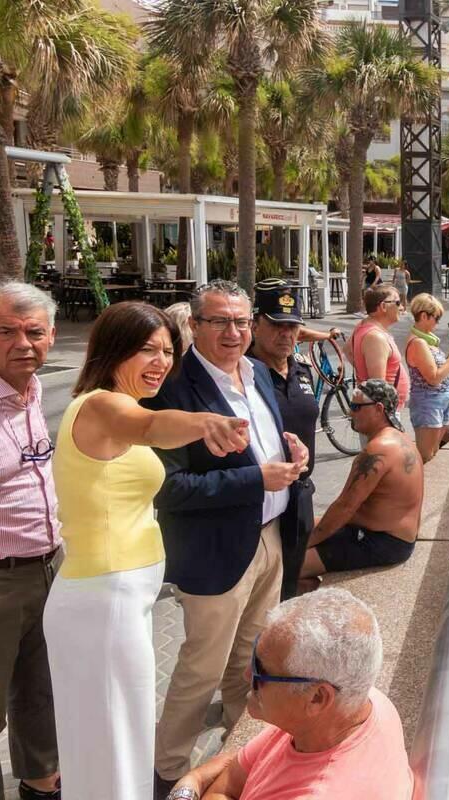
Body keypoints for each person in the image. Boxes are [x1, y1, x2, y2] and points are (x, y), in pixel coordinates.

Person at [44, 302, 250, 800]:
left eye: (166, 350)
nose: (160, 361)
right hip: (103, 600)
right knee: (115, 742)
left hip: (114, 599)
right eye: (145, 350)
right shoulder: (101, 406)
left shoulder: (121, 407)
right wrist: (206, 422)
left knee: (115, 738)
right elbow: (153, 427)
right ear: (111, 350)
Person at [146, 281, 310, 793]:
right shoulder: (172, 389)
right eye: (219, 321)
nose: (233, 332)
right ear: (194, 326)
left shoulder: (258, 371)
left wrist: (295, 454)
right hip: (215, 553)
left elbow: (266, 446)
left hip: (270, 539)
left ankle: (239, 760)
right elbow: (167, 488)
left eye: (241, 321)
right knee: (202, 671)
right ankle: (169, 772)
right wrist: (255, 479)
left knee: (251, 664)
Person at [163, 590, 413, 800]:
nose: (247, 675)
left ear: (317, 698)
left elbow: (222, 781)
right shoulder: (366, 704)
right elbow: (230, 781)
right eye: (254, 656)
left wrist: (188, 784)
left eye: (261, 669)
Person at [0, 283, 64, 799]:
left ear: (52, 337)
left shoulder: (33, 389)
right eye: (4, 331)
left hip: (48, 566)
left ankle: (41, 786)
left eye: (34, 332)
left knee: (41, 692)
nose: (22, 343)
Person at [248, 280, 341, 601]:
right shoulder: (243, 372)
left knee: (288, 588)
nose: (286, 333)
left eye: (292, 326)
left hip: (299, 496)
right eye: (277, 325)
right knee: (257, 599)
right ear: (255, 325)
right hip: (259, 504)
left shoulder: (300, 369)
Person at [302, 381, 423, 583]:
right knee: (298, 529)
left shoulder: (378, 449)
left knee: (287, 565)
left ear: (378, 409)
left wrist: (306, 544)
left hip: (384, 543)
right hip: (388, 535)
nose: (350, 413)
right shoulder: (401, 437)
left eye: (356, 407)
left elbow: (345, 507)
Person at [404, 294, 449, 463]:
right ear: (424, 316)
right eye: (436, 319)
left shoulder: (427, 341)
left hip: (437, 400)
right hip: (428, 402)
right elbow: (433, 378)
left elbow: (437, 370)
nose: (437, 324)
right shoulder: (418, 343)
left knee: (433, 452)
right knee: (426, 456)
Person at [350, 285, 411, 410]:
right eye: (397, 303)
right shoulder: (375, 337)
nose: (402, 307)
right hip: (385, 412)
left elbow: (348, 350)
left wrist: (362, 372)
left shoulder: (364, 326)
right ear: (383, 306)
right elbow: (378, 388)